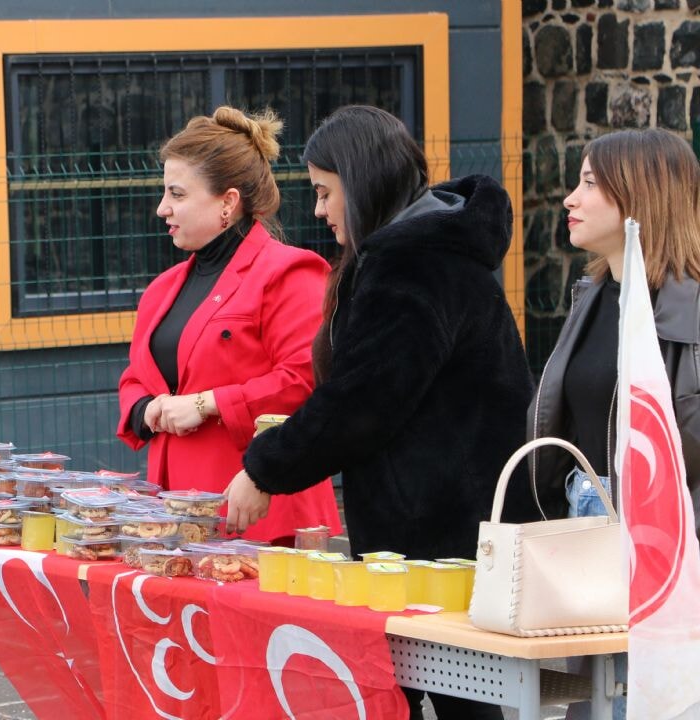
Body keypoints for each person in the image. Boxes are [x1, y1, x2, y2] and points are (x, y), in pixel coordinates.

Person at [224, 106, 533, 720]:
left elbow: (362, 402)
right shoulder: (420, 252)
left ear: (360, 183)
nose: (318, 210)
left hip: (442, 546)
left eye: (324, 192)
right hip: (442, 538)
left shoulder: (412, 263)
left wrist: (264, 468)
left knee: (461, 703)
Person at [529, 128, 700, 720]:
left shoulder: (689, 307)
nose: (570, 199)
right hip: (588, 546)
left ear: (641, 194)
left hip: (666, 555)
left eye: (590, 183)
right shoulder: (593, 295)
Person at [117, 105, 341, 543]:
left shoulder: (288, 272)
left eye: (177, 194)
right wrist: (150, 410)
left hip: (261, 513)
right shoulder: (163, 289)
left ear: (228, 202)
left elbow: (303, 381)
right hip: (177, 512)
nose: (163, 208)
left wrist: (205, 404)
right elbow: (134, 380)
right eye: (165, 193)